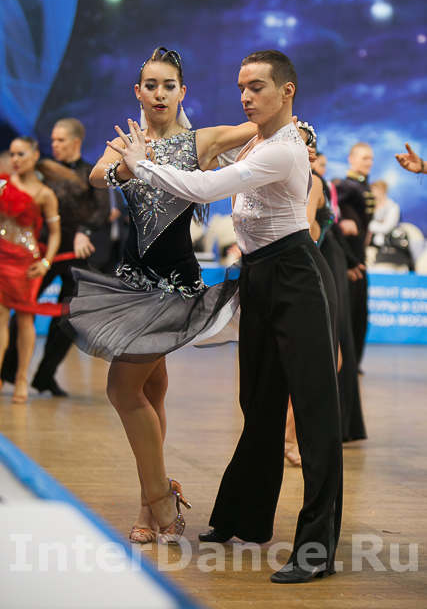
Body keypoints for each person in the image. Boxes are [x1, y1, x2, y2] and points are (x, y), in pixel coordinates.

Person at [110, 49, 343, 584]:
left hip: (297, 277)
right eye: (241, 87)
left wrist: (142, 162)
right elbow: (214, 156)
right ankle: (243, 517)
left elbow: (208, 188)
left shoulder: (283, 149)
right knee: (256, 403)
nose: (245, 96)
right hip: (258, 275)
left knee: (314, 415)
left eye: (257, 86)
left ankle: (316, 550)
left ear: (286, 90)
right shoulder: (259, 139)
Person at [62, 47, 265, 545]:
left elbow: (265, 127)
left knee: (121, 390)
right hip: (131, 285)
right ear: (138, 92)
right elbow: (96, 175)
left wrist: (302, 132)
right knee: (150, 393)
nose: (159, 93)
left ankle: (159, 497)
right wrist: (128, 165)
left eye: (168, 85)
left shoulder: (201, 140)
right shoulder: (126, 141)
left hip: (173, 288)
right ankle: (149, 502)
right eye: (150, 85)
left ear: (182, 92)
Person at [1, 118, 110, 396]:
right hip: (44, 251)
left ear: (76, 142)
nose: (55, 144)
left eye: (60, 140)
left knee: (68, 319)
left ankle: (44, 376)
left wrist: (84, 231)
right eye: (52, 140)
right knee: (22, 311)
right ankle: (8, 372)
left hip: (79, 255)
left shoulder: (91, 172)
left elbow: (102, 211)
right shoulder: (45, 173)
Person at [308, 153, 367, 442]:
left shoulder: (318, 182)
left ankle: (331, 425)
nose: (319, 167)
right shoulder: (315, 182)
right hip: (322, 259)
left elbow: (324, 228)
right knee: (326, 346)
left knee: (337, 343)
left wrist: (351, 259)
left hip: (329, 258)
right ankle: (304, 431)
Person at [0, 137, 61, 403]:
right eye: (12, 154)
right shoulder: (2, 184)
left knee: (25, 320)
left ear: (35, 155)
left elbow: (55, 233)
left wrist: (46, 263)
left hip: (26, 264)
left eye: (21, 154)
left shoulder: (45, 194)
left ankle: (22, 378)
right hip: (1, 258)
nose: (15, 159)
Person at [336, 142, 375, 369]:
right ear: (352, 160)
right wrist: (342, 221)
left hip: (360, 255)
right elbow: (328, 211)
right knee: (349, 313)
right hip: (348, 258)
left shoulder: (363, 184)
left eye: (371, 158)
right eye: (364, 158)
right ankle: (346, 366)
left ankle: (354, 365)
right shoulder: (346, 186)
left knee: (360, 314)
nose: (369, 162)